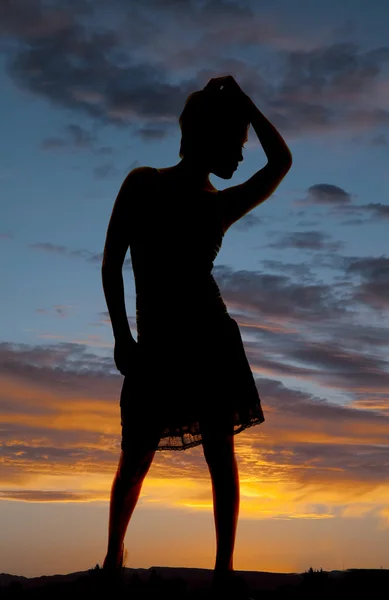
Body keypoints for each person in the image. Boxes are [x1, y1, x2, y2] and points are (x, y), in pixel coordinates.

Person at [101, 75, 292, 597]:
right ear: (209, 138)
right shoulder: (145, 183)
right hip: (157, 348)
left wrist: (246, 101)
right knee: (135, 454)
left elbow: (282, 162)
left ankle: (224, 573)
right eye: (237, 142)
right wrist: (122, 337)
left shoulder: (220, 204)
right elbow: (113, 258)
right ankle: (112, 557)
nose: (241, 154)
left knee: (220, 456)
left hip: (211, 344)